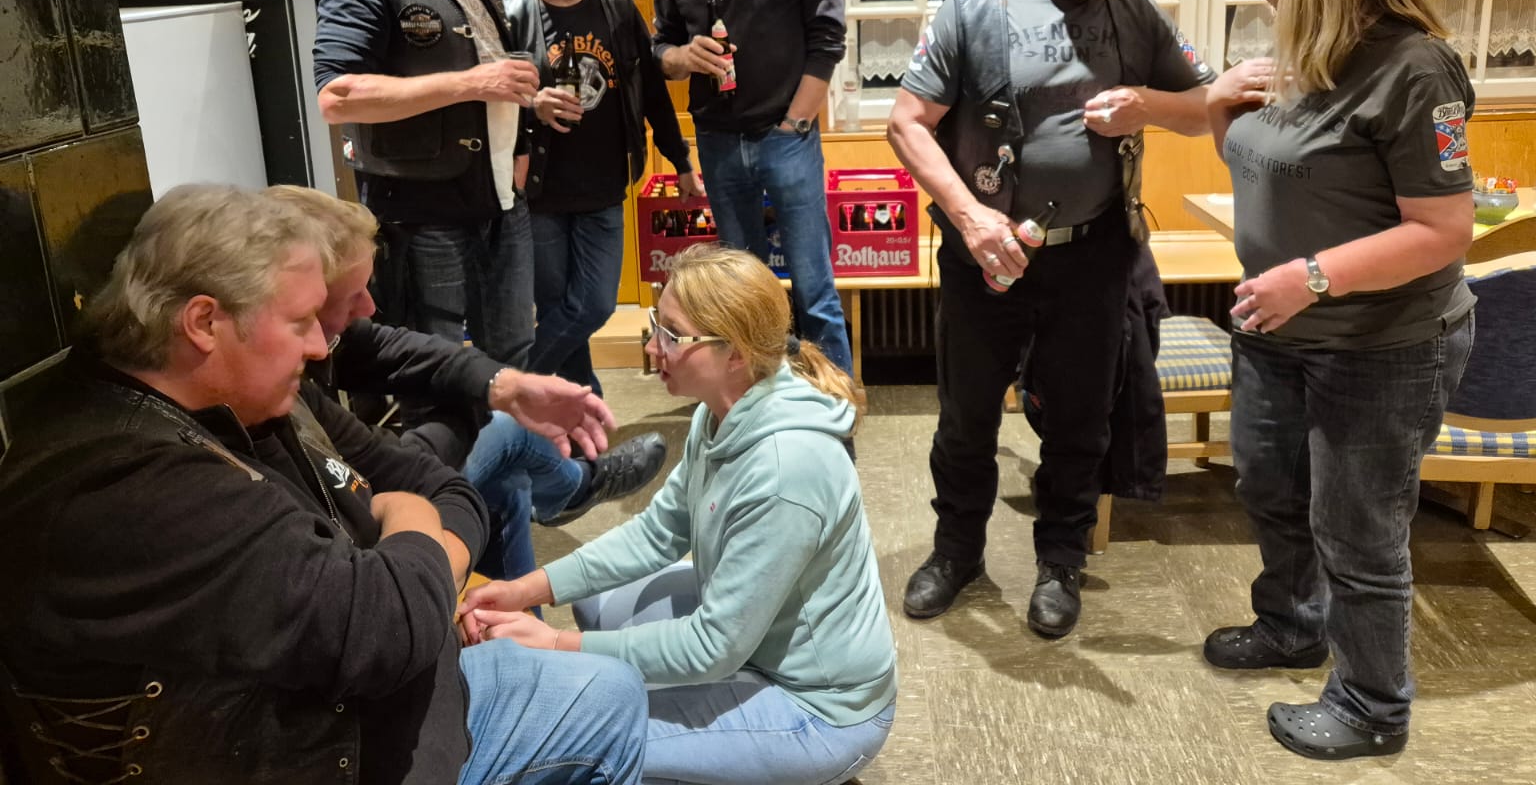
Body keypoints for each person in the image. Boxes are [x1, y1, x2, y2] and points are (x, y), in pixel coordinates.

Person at [0, 185, 646, 785]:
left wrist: (409, 557)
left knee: (605, 680)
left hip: (381, 706)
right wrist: (412, 521)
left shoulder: (245, 401)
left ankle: (565, 502)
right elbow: (388, 626)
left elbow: (437, 496)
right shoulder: (127, 485)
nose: (320, 346)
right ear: (203, 322)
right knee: (607, 701)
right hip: (343, 749)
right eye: (301, 320)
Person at [886, 0, 1213, 639]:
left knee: (1080, 421)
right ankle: (957, 551)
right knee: (966, 418)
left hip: (1093, 257)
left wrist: (1148, 106)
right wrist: (970, 218)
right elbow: (907, 124)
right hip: (984, 255)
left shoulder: (1134, 14)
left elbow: (1206, 106)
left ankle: (1061, 559)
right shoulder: (973, 8)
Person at [1202, 0, 1476, 761]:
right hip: (1278, 333)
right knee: (1270, 490)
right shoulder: (1305, 56)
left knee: (1359, 532)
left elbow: (1444, 231)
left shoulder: (1416, 69)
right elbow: (1276, 168)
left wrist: (1313, 278)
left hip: (1381, 344)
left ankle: (1372, 707)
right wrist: (1218, 110)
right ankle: (1292, 625)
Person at [458, 244, 896, 785]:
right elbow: (656, 533)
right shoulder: (720, 414)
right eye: (655, 325)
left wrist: (553, 644)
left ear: (735, 354)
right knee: (594, 603)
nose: (651, 347)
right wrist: (524, 590)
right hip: (754, 646)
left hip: (820, 710)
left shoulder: (787, 470)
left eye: (672, 335)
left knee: (588, 741)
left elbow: (712, 647)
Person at [268, 185, 668, 581]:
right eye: (353, 296)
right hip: (372, 549)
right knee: (508, 437)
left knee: (507, 482)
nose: (370, 308)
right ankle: (574, 488)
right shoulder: (277, 401)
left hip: (377, 528)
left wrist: (501, 384)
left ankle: (557, 517)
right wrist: (481, 406)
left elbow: (391, 352)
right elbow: (382, 472)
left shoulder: (298, 365)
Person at [314, 0, 540, 467]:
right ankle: (445, 506)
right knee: (436, 376)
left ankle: (513, 494)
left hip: (499, 199)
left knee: (509, 360)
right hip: (423, 211)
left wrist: (524, 132)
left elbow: (495, 67)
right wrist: (471, 84)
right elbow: (337, 95)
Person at [651, 0, 852, 372]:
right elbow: (659, 48)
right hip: (718, 142)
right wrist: (681, 57)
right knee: (741, 298)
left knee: (814, 291)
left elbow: (828, 37)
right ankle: (761, 404)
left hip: (787, 138)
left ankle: (836, 408)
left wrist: (795, 123)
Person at [504, 0, 703, 391]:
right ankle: (582, 406)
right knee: (557, 306)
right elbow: (492, 103)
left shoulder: (616, 8)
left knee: (593, 305)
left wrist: (680, 160)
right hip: (541, 194)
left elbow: (653, 93)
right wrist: (533, 105)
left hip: (604, 187)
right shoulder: (512, 16)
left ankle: (505, 385)